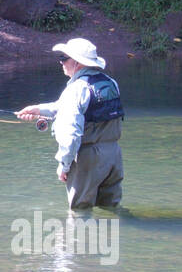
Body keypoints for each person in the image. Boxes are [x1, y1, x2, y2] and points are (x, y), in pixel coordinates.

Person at [15, 38, 124, 210]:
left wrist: (64, 165)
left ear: (77, 63)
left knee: (80, 213)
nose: (61, 62)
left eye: (64, 58)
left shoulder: (75, 90)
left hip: (88, 159)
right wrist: (38, 109)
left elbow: (71, 135)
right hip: (114, 156)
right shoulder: (111, 83)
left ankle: (76, 238)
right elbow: (72, 108)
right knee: (110, 210)